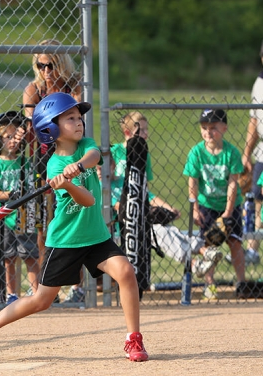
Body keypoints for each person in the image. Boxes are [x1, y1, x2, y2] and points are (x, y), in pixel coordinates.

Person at [0, 93, 149, 363]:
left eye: (78, 116)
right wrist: (69, 184)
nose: (78, 121)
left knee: (126, 272)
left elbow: (95, 156)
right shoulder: (54, 166)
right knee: (41, 300)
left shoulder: (86, 146)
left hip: (96, 237)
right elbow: (88, 200)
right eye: (70, 118)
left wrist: (79, 166)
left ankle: (133, 339)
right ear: (51, 128)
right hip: (66, 242)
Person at [111, 112, 221, 281]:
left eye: (147, 130)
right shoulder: (114, 153)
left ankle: (203, 253)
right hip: (123, 221)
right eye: (142, 131)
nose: (146, 134)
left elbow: (145, 192)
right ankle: (195, 260)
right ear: (127, 133)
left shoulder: (143, 154)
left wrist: (167, 207)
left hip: (140, 214)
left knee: (165, 227)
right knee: (159, 230)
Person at [23, 38, 85, 303]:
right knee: (41, 225)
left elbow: (78, 117)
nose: (46, 71)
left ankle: (77, 286)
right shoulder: (34, 89)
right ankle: (42, 285)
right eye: (41, 65)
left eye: (52, 65)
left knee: (74, 216)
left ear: (62, 63)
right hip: (43, 157)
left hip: (72, 154)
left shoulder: (75, 85)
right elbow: (34, 128)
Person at [183, 108, 246, 300]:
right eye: (204, 128)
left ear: (224, 128)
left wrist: (228, 212)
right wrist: (194, 209)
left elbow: (233, 182)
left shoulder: (231, 152)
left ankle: (242, 283)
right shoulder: (196, 152)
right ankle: (209, 285)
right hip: (206, 205)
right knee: (209, 244)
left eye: (213, 128)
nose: (208, 132)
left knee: (235, 241)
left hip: (231, 205)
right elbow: (192, 181)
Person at [0, 111, 40, 305]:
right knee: (9, 258)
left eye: (15, 136)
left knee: (31, 256)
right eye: (8, 137)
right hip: (4, 218)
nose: (13, 141)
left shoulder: (25, 162)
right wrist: (11, 195)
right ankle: (12, 295)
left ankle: (36, 293)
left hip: (26, 216)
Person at [237, 41, 263, 266]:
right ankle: (252, 250)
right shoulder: (259, 83)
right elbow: (254, 120)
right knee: (257, 200)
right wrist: (247, 152)